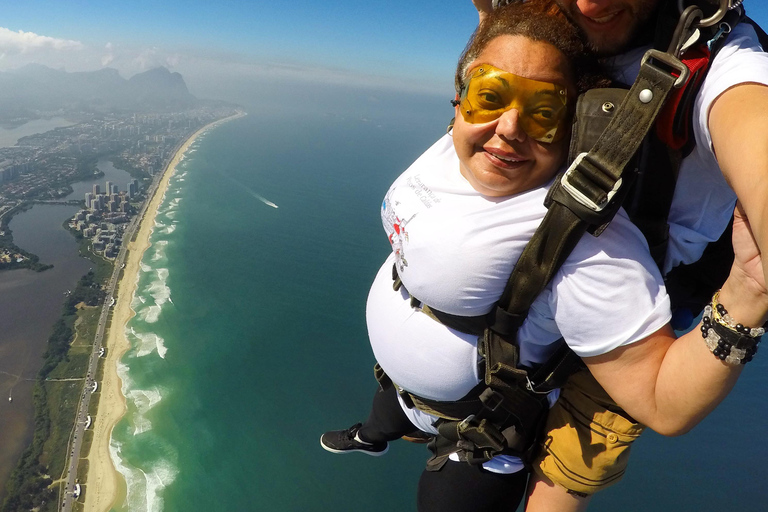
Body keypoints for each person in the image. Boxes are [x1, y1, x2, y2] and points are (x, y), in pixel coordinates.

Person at [320, 2, 768, 511]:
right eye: (488, 96)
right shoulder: (506, 76)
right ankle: (377, 431)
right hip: (411, 378)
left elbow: (662, 398)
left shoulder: (585, 243)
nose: (509, 126)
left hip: (499, 413)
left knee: (563, 473)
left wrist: (747, 295)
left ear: (572, 122)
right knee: (389, 415)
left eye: (543, 111)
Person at [470, 0, 768, 510]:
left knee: (570, 465)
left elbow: (751, 123)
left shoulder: (724, 62)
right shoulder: (542, 17)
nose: (591, 4)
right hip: (526, 289)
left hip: (634, 324)